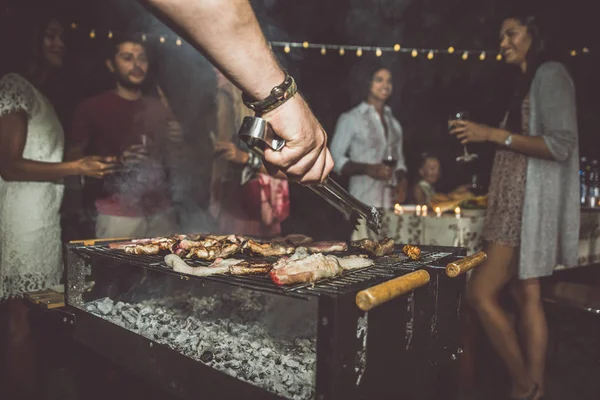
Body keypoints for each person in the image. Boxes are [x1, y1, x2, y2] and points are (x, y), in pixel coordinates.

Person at [449, 13, 579, 400]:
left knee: (479, 293)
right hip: (513, 200)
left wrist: (490, 134)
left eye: (511, 33)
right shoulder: (529, 81)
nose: (502, 42)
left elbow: (559, 144)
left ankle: (523, 384)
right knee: (527, 296)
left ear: (534, 35)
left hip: (523, 205)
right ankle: (532, 391)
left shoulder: (551, 73)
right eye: (500, 36)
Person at [0, 13, 117, 397]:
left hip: (42, 218)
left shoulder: (41, 94)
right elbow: (9, 165)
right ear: (31, 40)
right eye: (49, 35)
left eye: (62, 36)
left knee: (30, 320)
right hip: (19, 219)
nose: (59, 43)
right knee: (18, 319)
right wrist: (76, 166)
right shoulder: (14, 86)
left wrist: (83, 167)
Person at [141, 0, 333, 184]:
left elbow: (287, 168)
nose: (219, 77)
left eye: (223, 73)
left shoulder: (252, 107)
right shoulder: (216, 104)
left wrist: (279, 101)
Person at [68, 34, 180, 239]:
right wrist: (118, 161)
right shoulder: (91, 107)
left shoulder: (158, 107)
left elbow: (176, 163)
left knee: (164, 269)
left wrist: (177, 140)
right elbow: (73, 160)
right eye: (127, 58)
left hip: (161, 212)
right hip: (116, 214)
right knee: (117, 271)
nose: (137, 64)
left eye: (142, 58)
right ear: (111, 65)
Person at [209, 69, 290, 237]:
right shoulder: (220, 105)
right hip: (229, 210)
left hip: (258, 213)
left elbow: (286, 172)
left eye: (220, 69)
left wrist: (245, 158)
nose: (216, 72)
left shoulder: (269, 115)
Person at [330, 66, 407, 239]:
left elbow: (400, 161)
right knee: (364, 256)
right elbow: (334, 158)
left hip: (389, 205)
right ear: (367, 84)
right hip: (361, 204)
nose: (385, 85)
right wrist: (367, 169)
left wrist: (402, 182)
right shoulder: (351, 118)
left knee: (391, 257)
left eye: (389, 81)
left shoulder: (394, 122)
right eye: (379, 80)